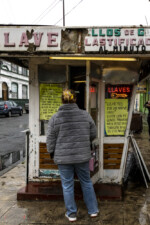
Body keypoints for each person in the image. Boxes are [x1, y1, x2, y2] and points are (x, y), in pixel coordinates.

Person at [46, 89, 99, 222]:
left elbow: (50, 139)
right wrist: (85, 141)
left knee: (67, 185)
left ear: (62, 100)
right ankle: (93, 210)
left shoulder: (55, 117)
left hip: (63, 157)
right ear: (75, 100)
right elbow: (93, 133)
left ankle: (72, 214)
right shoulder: (85, 115)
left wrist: (51, 152)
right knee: (86, 182)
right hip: (82, 156)